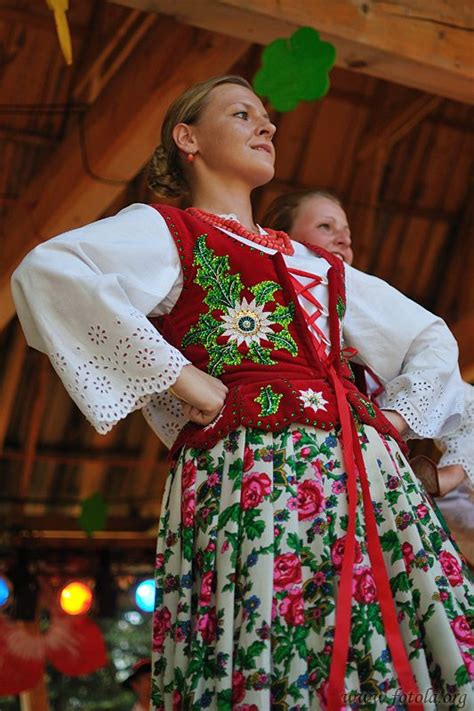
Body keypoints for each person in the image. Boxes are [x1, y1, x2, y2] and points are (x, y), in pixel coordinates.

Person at [11, 76, 473, 711]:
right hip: (255, 473)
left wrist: (389, 418)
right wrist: (182, 376)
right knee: (279, 644)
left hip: (367, 478)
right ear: (187, 138)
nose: (268, 126)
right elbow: (49, 272)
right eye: (243, 113)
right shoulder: (167, 230)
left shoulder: (318, 265)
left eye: (267, 116)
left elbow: (428, 335)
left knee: (398, 644)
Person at [263, 189, 473, 499]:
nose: (345, 240)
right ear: (282, 235)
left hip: (352, 476)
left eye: (347, 232)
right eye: (326, 226)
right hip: (281, 464)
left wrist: (391, 423)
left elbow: (436, 346)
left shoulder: (349, 290)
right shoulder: (269, 293)